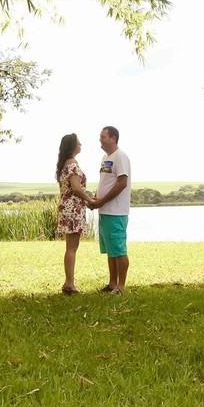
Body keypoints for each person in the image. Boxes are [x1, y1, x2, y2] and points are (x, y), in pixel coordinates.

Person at [89, 125, 131, 294]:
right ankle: (112, 283)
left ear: (113, 138)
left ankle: (121, 285)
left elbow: (122, 183)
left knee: (119, 249)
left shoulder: (121, 156)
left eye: (103, 137)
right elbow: (106, 182)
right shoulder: (105, 157)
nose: (100, 139)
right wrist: (96, 196)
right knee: (111, 250)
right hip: (104, 211)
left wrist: (103, 200)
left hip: (116, 211)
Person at [55, 133, 94, 295]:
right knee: (72, 248)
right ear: (73, 146)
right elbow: (76, 189)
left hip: (66, 208)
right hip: (73, 209)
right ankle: (69, 284)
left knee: (69, 247)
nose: (81, 145)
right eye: (79, 143)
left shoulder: (64, 164)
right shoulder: (73, 166)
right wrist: (90, 200)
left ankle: (68, 282)